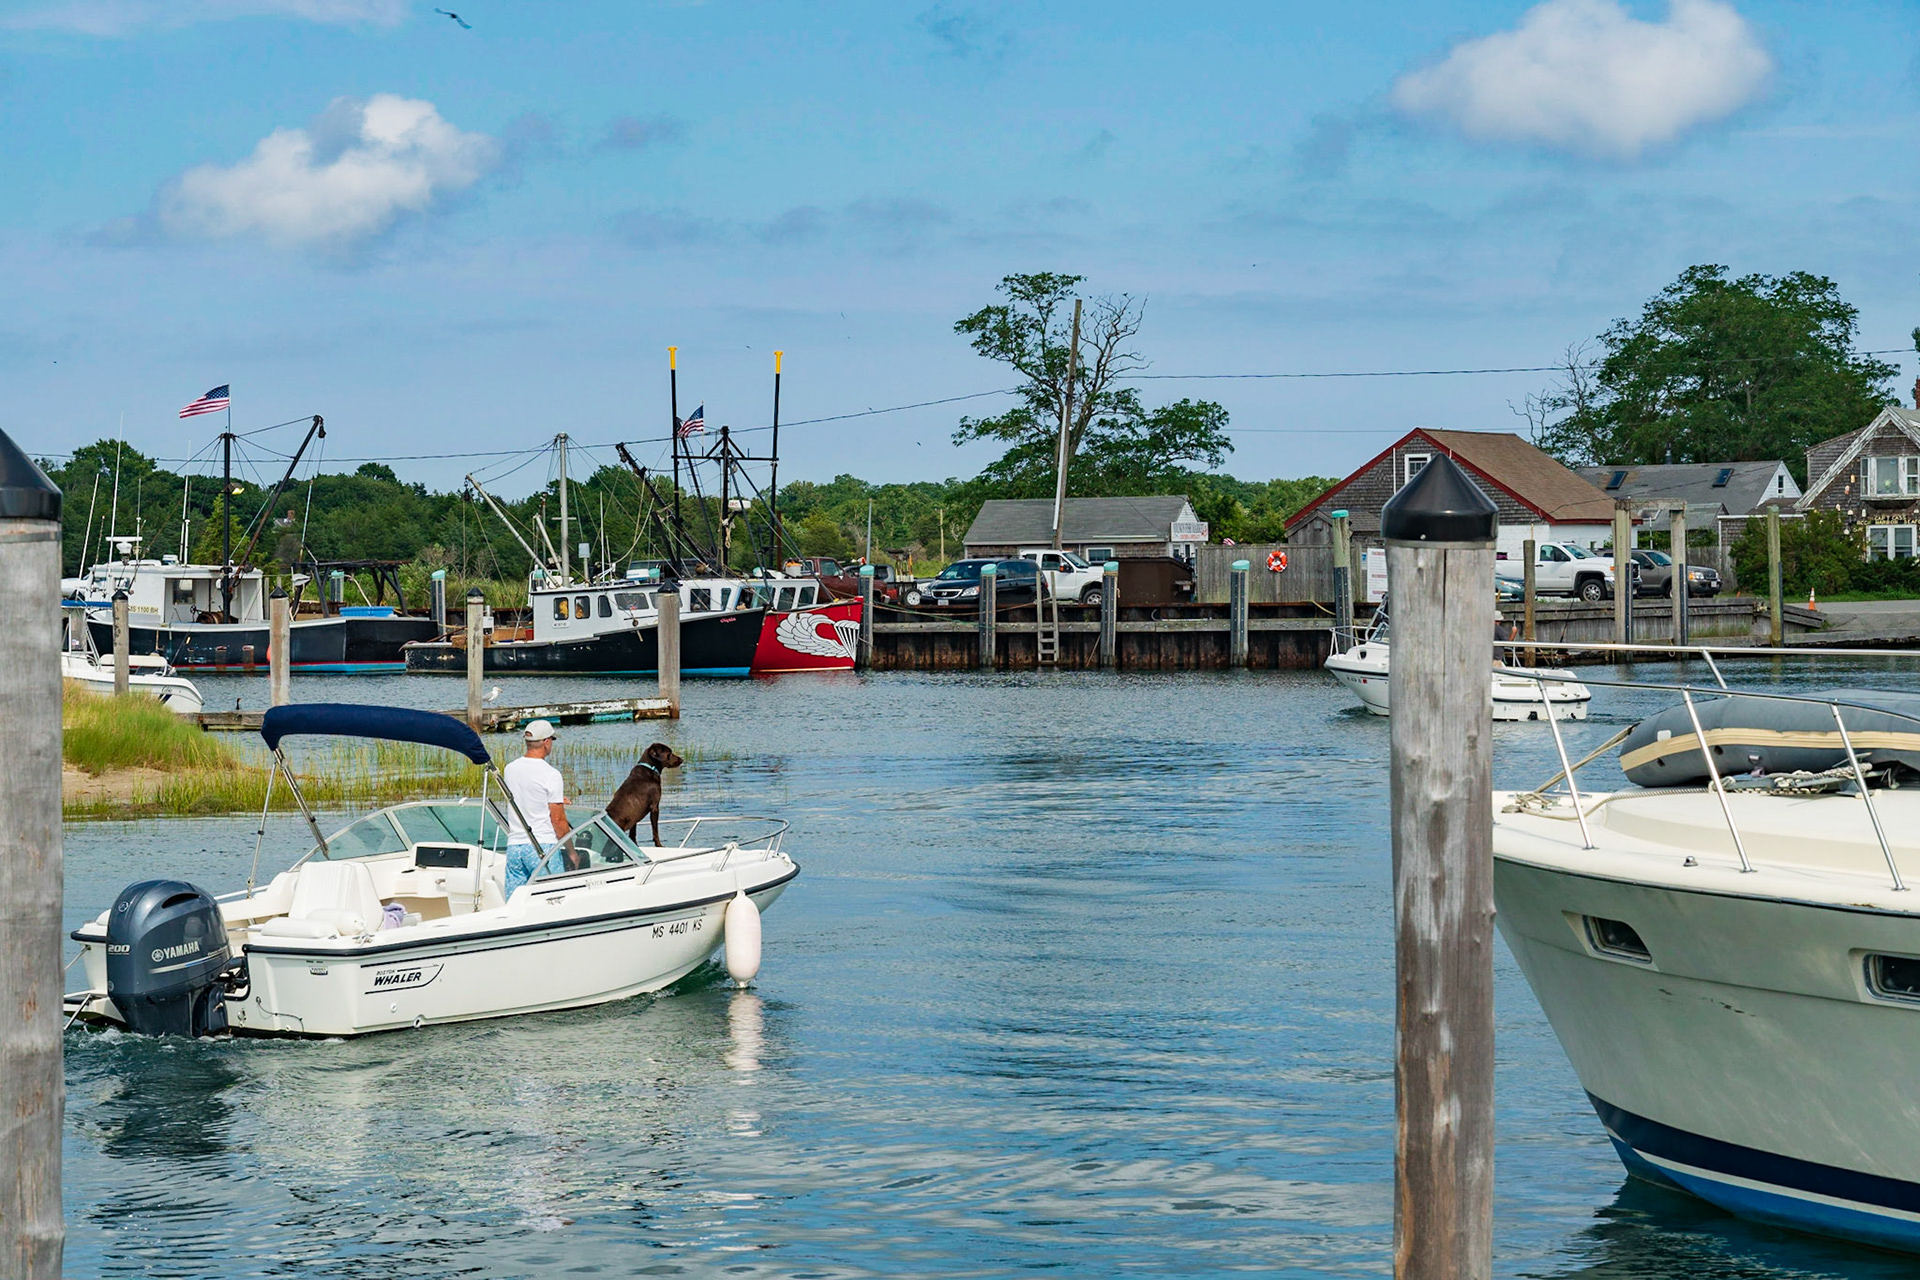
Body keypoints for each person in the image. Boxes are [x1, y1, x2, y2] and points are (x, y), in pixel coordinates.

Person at [502, 720, 569, 898]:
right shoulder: (551, 774)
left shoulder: (510, 769)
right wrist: (572, 852)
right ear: (547, 742)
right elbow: (558, 821)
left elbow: (524, 794)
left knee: (515, 903)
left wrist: (554, 799)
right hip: (542, 846)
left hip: (515, 848)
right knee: (554, 899)